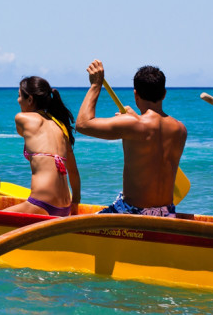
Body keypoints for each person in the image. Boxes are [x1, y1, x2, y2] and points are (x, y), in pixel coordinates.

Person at [75, 60, 186, 217]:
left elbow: (82, 124)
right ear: (164, 94)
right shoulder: (180, 129)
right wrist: (133, 118)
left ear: (136, 95)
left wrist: (96, 85)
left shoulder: (133, 125)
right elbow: (150, 133)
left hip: (133, 212)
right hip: (167, 213)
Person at [4, 76, 81, 217]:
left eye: (19, 96)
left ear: (30, 99)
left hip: (40, 203)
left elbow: (22, 133)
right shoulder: (61, 126)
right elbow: (74, 172)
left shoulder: (22, 118)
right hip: (64, 207)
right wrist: (75, 203)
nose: (18, 100)